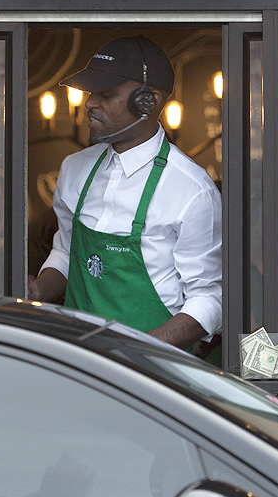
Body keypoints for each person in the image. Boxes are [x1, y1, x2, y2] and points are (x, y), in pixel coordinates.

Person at [28, 36, 222, 350]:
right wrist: (37, 290)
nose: (90, 103)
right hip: (82, 360)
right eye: (91, 93)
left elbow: (208, 301)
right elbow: (66, 254)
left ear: (150, 101)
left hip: (155, 374)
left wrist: (137, 353)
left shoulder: (191, 190)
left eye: (105, 94)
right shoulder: (74, 169)